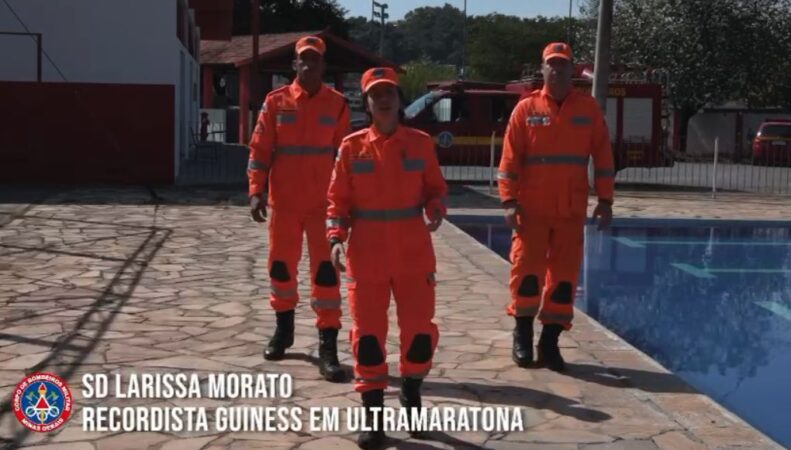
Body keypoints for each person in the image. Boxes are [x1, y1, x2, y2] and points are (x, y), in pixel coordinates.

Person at [326, 67, 448, 449]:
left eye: (389, 93)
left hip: (413, 254)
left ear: (398, 98)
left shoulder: (420, 143)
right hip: (367, 255)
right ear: (367, 102)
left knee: (418, 333)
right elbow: (337, 202)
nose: (383, 99)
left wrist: (436, 206)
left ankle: (412, 396)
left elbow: (436, 188)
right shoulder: (351, 147)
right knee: (368, 338)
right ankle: (373, 417)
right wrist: (335, 237)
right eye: (375, 94)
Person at [498, 42, 615, 372]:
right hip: (530, 212)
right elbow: (509, 160)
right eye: (551, 64)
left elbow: (604, 158)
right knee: (527, 277)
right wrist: (508, 200)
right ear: (543, 68)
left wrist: (605, 200)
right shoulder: (526, 109)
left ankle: (549, 343)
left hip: (570, 212)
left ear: (572, 70)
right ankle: (522, 336)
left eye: (562, 64)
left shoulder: (588, 109)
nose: (557, 69)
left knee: (563, 282)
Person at [247, 35, 351, 382]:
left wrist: (349, 203)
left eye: (315, 60)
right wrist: (255, 190)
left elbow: (346, 158)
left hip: (323, 208)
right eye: (303, 59)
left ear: (323, 65)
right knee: (281, 270)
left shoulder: (337, 104)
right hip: (285, 205)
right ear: (294, 64)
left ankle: (328, 347)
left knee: (326, 274)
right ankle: (284, 332)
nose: (308, 65)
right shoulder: (275, 102)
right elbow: (260, 150)